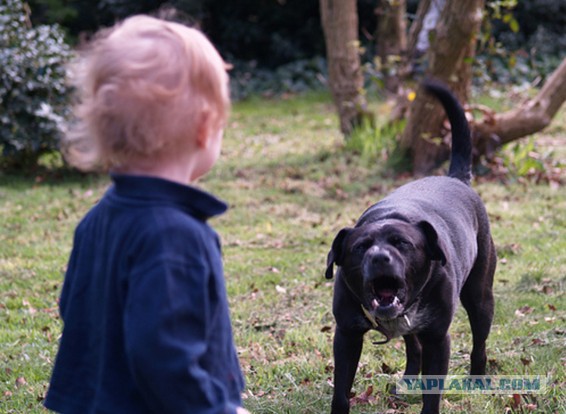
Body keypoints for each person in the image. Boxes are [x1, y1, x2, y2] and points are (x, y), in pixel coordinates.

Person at [44, 15, 249, 414]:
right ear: (205, 128)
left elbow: (75, 307)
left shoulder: (98, 219)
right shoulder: (176, 236)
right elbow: (164, 357)